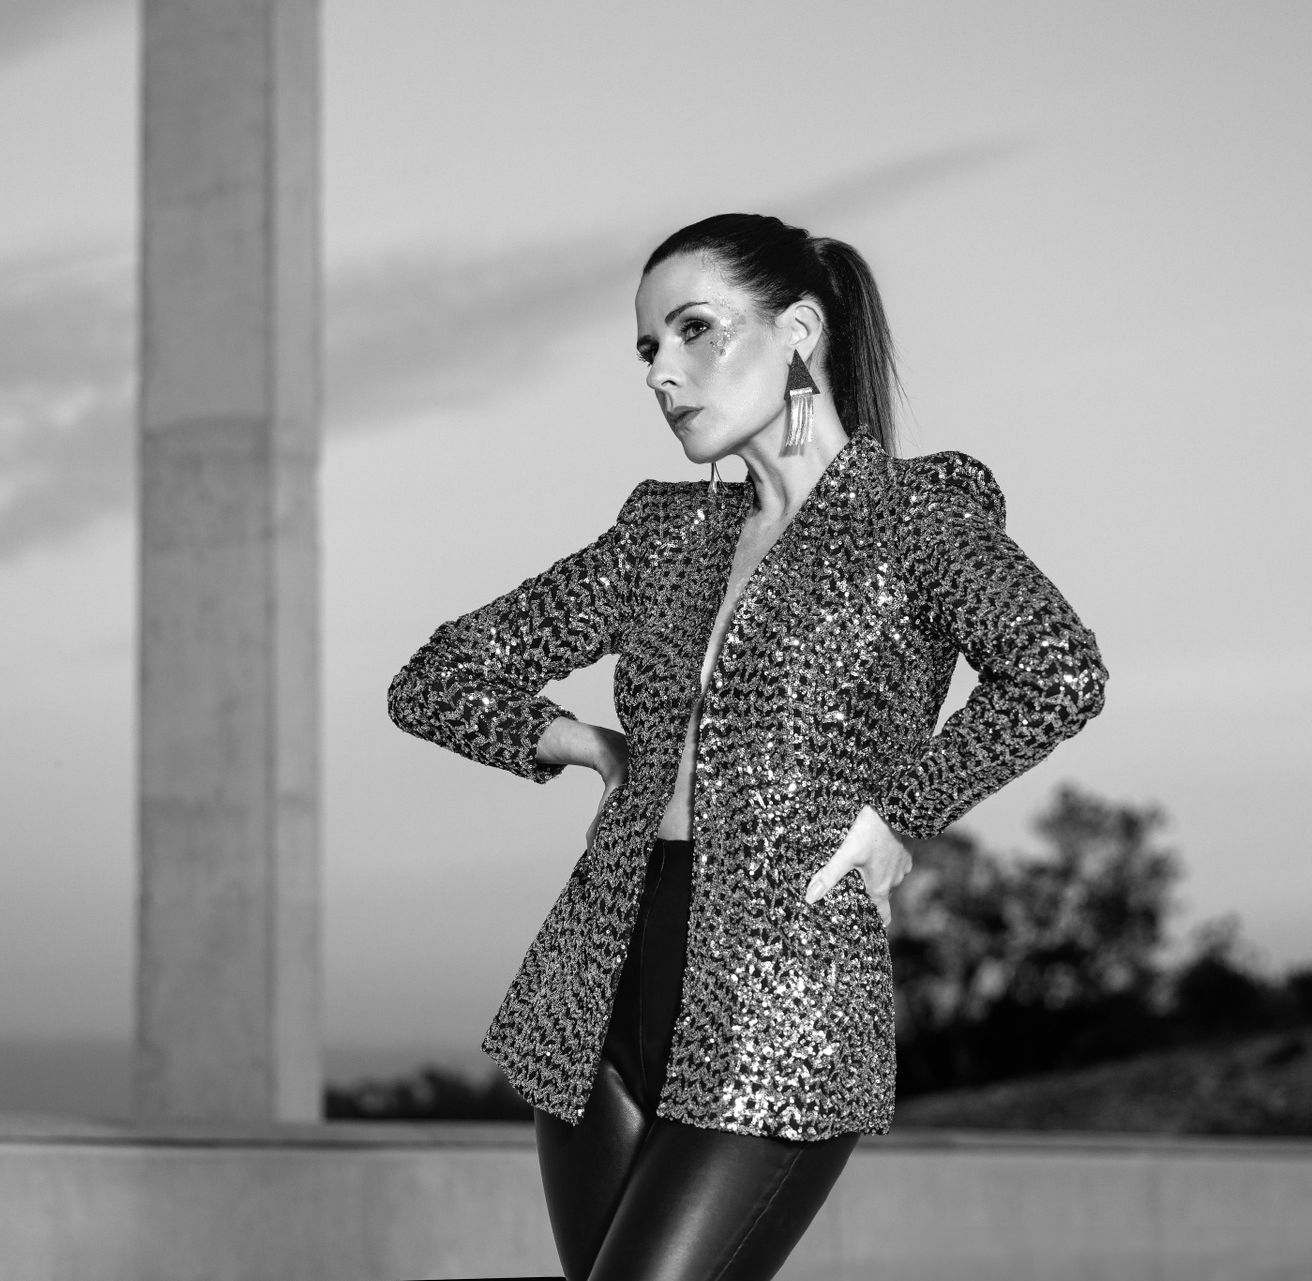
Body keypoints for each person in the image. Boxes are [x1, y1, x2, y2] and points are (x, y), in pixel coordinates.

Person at [386, 213, 1107, 1281]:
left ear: (798, 332)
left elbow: (1058, 670)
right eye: (648, 347)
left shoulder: (912, 521)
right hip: (597, 997)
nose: (661, 372)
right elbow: (434, 679)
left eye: (695, 330)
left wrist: (901, 813)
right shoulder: (663, 535)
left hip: (781, 1003)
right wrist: (589, 745)